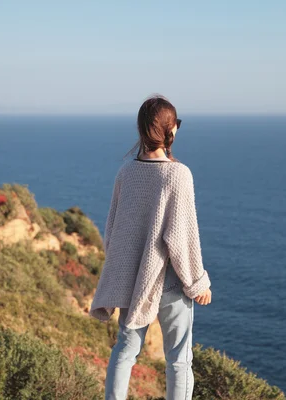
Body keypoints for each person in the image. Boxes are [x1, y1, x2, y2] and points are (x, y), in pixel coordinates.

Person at [89, 94, 212, 400]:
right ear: (170, 132)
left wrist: (126, 270)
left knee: (126, 350)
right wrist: (198, 283)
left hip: (134, 280)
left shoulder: (126, 172)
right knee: (179, 359)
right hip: (170, 280)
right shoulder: (178, 175)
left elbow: (113, 231)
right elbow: (183, 237)